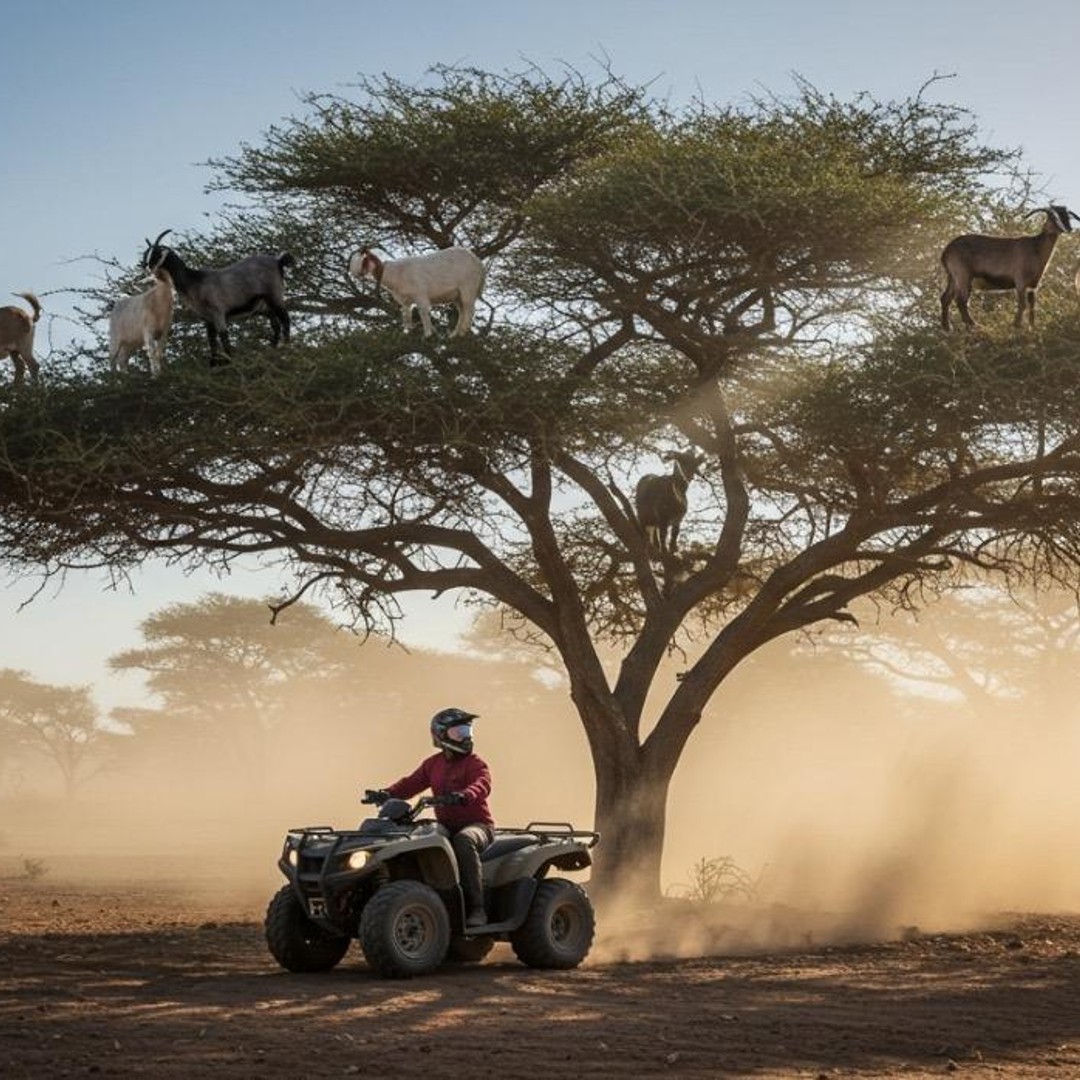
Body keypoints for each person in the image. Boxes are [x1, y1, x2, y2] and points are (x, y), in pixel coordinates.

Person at [372, 707, 494, 928]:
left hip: (478, 826)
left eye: (467, 732)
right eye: (458, 733)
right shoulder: (433, 764)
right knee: (419, 839)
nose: (465, 738)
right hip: (445, 825)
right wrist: (386, 793)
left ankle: (477, 908)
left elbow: (482, 784)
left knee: (464, 841)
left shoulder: (476, 763)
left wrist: (466, 795)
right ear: (440, 735)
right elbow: (410, 784)